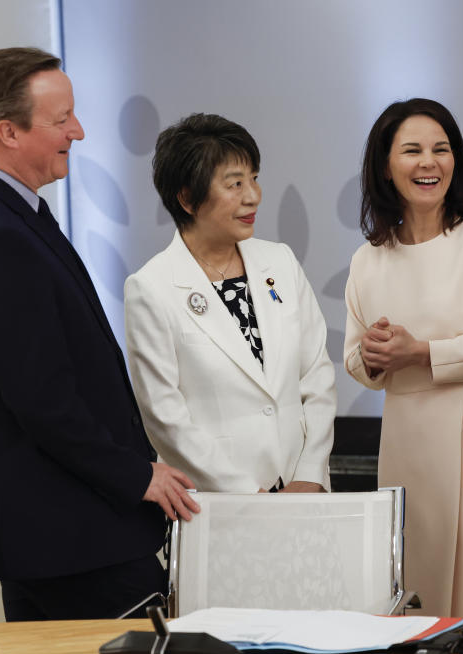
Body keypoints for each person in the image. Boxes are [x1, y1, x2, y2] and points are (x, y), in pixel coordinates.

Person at [0, 47, 200, 621]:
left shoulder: (5, 209)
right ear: (8, 131)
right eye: (62, 120)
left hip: (63, 525)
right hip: (70, 533)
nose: (77, 131)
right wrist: (137, 475)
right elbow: (42, 401)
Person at [343, 98, 463, 624]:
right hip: (404, 447)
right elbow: (357, 364)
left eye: (441, 150)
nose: (429, 162)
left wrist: (420, 351)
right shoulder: (368, 257)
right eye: (412, 151)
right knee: (413, 599)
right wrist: (374, 354)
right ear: (386, 165)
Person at [124, 113, 336, 494]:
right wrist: (246, 495)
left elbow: (317, 376)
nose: (252, 195)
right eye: (234, 184)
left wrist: (309, 474)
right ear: (187, 198)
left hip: (302, 491)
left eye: (254, 178)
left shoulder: (280, 261)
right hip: (220, 503)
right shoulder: (151, 288)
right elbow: (165, 419)